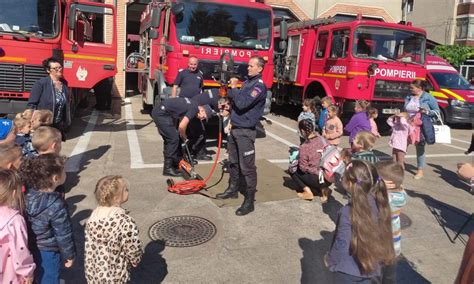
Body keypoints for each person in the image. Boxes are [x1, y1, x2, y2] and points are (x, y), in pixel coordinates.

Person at [325, 160, 395, 282]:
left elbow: (341, 243)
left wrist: (331, 260)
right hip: (375, 269)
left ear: (349, 183)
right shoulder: (381, 204)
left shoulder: (347, 212)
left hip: (348, 272)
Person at [215, 56, 267, 216]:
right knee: (233, 163)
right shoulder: (247, 83)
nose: (248, 68)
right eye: (248, 65)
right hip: (235, 128)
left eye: (252, 66)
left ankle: (250, 201)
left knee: (248, 168)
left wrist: (235, 87)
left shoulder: (259, 86)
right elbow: (236, 103)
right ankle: (233, 189)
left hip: (246, 131)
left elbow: (243, 103)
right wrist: (228, 108)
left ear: (260, 69)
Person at [20, 154, 75, 284]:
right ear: (56, 178)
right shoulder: (56, 203)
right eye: (64, 171)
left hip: (27, 246)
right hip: (49, 250)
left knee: (34, 275)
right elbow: (63, 233)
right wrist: (69, 255)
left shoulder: (25, 195)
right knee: (49, 277)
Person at [84, 175, 143, 283]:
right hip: (115, 276)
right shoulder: (125, 222)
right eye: (125, 190)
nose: (128, 191)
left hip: (94, 273)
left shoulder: (92, 218)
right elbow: (132, 246)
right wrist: (135, 259)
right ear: (116, 198)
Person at [151, 97, 212, 176]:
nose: (202, 119)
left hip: (160, 111)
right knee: (174, 139)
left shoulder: (193, 104)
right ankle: (168, 168)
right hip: (162, 113)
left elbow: (182, 120)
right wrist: (184, 136)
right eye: (203, 116)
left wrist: (182, 134)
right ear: (202, 110)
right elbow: (182, 126)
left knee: (170, 139)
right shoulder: (194, 109)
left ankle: (172, 164)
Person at [0, 169, 36, 284]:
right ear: (14, 193)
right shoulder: (15, 220)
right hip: (8, 275)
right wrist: (27, 273)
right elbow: (20, 251)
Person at [376, 160, 407, 284]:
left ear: (388, 184)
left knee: (378, 275)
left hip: (382, 246)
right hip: (395, 247)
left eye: (376, 179)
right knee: (389, 276)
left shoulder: (388, 199)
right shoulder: (401, 195)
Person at [404, 79, 439, 179]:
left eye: (412, 88)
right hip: (407, 124)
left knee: (420, 148)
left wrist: (426, 112)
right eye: (410, 88)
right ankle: (400, 164)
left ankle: (420, 170)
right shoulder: (408, 96)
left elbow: (436, 111)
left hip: (420, 126)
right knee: (402, 145)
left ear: (420, 88)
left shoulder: (428, 97)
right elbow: (405, 109)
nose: (410, 90)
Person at [28, 58, 70, 141]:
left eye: (60, 67)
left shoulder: (64, 83)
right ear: (48, 70)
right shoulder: (41, 83)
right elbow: (32, 104)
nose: (59, 70)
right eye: (55, 68)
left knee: (54, 147)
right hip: (44, 124)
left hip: (58, 125)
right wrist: (31, 123)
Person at [290, 119, 331, 203]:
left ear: (302, 131)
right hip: (330, 175)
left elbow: (303, 168)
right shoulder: (322, 139)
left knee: (292, 169)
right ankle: (323, 190)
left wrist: (296, 159)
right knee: (320, 170)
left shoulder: (305, 146)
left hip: (318, 178)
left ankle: (307, 191)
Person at [189, 88, 221, 161]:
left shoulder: (215, 91)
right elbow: (218, 109)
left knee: (202, 133)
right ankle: (191, 152)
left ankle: (199, 151)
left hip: (195, 109)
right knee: (199, 135)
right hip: (193, 111)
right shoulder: (216, 98)